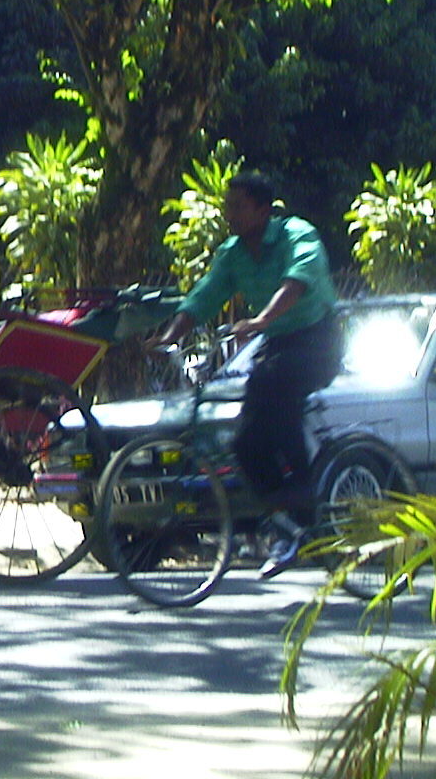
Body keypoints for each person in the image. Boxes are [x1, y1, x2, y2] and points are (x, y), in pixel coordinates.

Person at [148, 171, 343, 578]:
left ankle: (304, 487)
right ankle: (290, 523)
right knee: (244, 444)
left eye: (237, 206)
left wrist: (261, 319)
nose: (229, 214)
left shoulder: (295, 234)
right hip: (275, 345)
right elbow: (203, 295)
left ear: (263, 210)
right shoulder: (233, 253)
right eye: (227, 206)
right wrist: (166, 338)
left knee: (272, 382)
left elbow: (298, 281)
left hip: (316, 341)